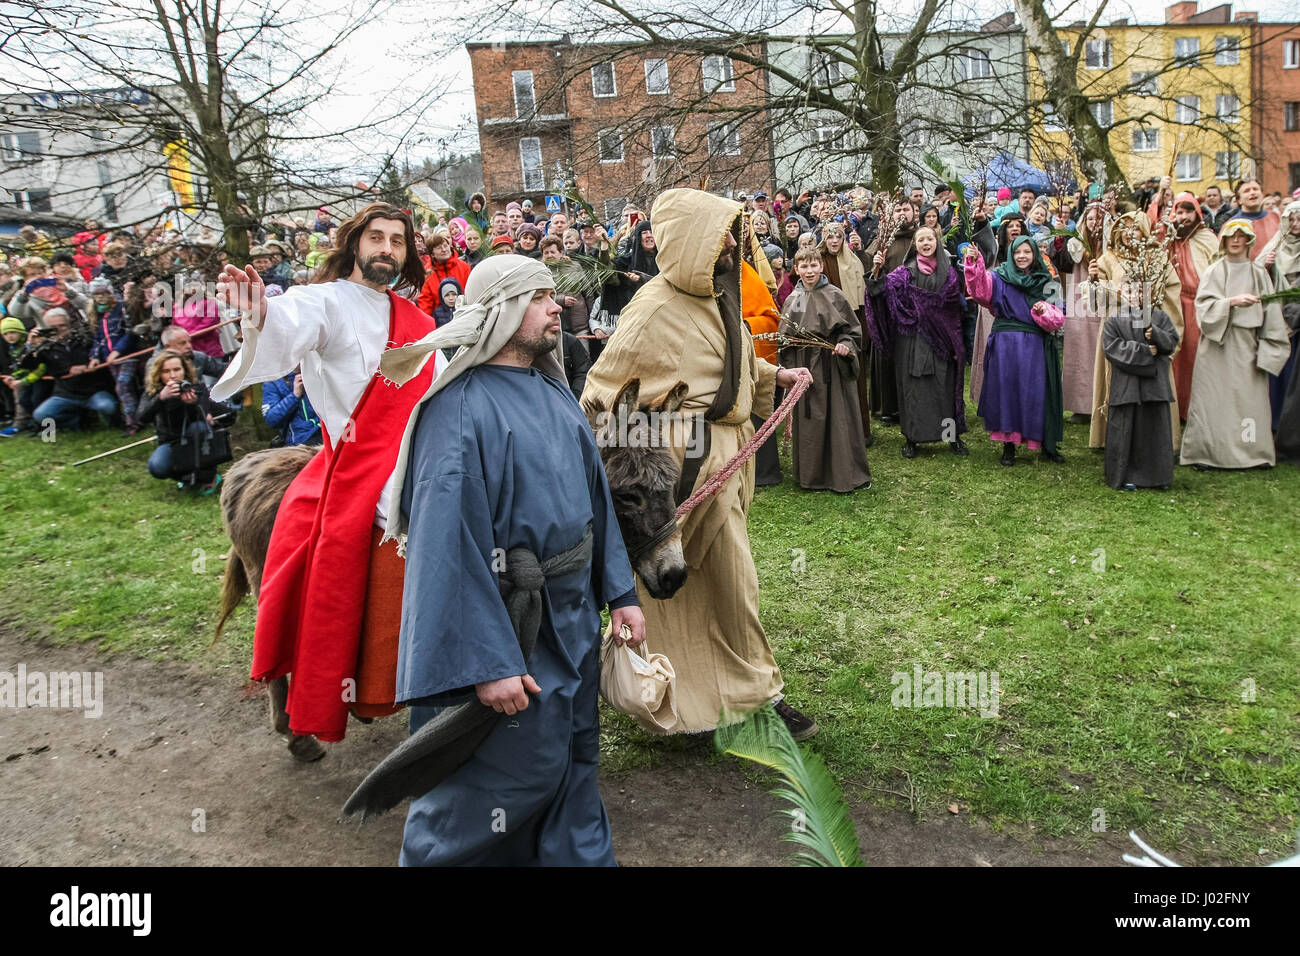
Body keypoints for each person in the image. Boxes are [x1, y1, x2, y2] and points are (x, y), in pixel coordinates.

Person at [366, 254, 642, 866]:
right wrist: (486, 661)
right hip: (508, 629)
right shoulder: (457, 410)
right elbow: (446, 549)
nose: (556, 306)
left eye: (554, 295)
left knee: (573, 764)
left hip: (569, 620)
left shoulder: (552, 390)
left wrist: (619, 593)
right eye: (539, 297)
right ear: (502, 311)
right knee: (500, 782)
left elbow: (594, 499)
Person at [581, 187, 819, 740]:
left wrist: (770, 379)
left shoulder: (719, 295)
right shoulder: (654, 310)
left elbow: (730, 367)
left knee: (717, 580)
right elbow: (600, 398)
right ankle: (754, 698)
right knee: (731, 580)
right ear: (692, 242)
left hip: (729, 461)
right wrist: (644, 462)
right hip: (686, 471)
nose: (733, 244)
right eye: (720, 234)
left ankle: (716, 700)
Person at [209, 202, 440, 749]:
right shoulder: (325, 302)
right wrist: (259, 313)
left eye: (398, 241)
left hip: (422, 454)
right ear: (354, 244)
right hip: (363, 467)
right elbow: (290, 320)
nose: (387, 248)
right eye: (376, 237)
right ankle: (369, 677)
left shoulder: (419, 322)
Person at [1180, 220, 1291, 470]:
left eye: (1242, 236)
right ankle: (1208, 453)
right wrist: (1230, 302)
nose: (1236, 240)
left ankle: (1251, 453)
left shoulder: (1258, 273)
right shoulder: (1214, 271)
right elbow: (1203, 309)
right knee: (1214, 400)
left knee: (1247, 401)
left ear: (1249, 241)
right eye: (1232, 236)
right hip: (1218, 346)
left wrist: (1270, 347)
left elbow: (1272, 312)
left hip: (1247, 346)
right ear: (1224, 239)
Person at [962, 237, 1067, 466]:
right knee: (1007, 393)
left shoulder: (1044, 279)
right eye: (1017, 251)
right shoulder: (999, 277)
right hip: (1005, 345)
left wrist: (1043, 310)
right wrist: (974, 263)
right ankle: (1008, 445)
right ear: (1011, 254)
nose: (1022, 256)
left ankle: (1042, 442)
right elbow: (980, 292)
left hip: (1034, 346)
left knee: (1034, 393)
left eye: (1027, 252)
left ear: (1035, 255)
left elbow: (1058, 317)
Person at [1085, 213, 1184, 452]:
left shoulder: (1158, 258)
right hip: (1118, 330)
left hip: (1149, 326)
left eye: (1135, 229)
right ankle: (1114, 437)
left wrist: (1153, 307)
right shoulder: (1107, 259)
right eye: (1125, 229)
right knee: (1119, 382)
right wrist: (1094, 281)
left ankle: (1157, 439)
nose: (1130, 234)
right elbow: (1098, 301)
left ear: (1145, 232)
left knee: (1152, 381)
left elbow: (1171, 290)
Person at [779, 247, 870, 491]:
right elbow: (785, 340)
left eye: (813, 265)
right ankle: (812, 476)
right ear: (796, 269)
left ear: (821, 266)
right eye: (804, 267)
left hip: (832, 367)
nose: (809, 271)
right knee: (811, 420)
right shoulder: (793, 300)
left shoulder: (835, 296)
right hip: (805, 366)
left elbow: (851, 331)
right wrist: (789, 368)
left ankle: (842, 473)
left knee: (838, 419)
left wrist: (844, 345)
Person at [877, 224, 968, 458]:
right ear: (914, 245)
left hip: (943, 340)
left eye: (930, 239)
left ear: (937, 242)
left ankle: (951, 436)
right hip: (913, 341)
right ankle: (912, 439)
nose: (926, 243)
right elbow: (882, 290)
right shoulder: (905, 272)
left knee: (944, 389)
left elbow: (954, 308)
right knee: (913, 391)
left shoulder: (949, 271)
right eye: (921, 240)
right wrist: (876, 272)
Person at [1165, 192, 1220, 422]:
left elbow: (1218, 269)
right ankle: (1175, 410)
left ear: (1197, 214)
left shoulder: (1208, 238)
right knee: (1175, 356)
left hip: (1199, 304)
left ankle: (1197, 410)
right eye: (1179, 212)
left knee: (1196, 356)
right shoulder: (1168, 239)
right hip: (1174, 304)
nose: (1183, 216)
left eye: (1188, 211)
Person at [138, 349, 224, 492]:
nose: (172, 375)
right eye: (166, 371)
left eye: (177, 369)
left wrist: (195, 404)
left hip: (198, 440)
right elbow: (141, 417)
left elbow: (214, 418)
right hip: (170, 441)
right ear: (159, 373)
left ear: (184, 370)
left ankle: (209, 476)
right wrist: (161, 398)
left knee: (199, 428)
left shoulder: (196, 388)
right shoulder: (153, 392)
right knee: (157, 467)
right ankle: (184, 477)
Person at [21, 308, 119, 432]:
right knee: (41, 414)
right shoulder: (44, 347)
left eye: (62, 325)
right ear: (46, 328)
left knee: (107, 407)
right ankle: (79, 422)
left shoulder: (84, 339)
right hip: (66, 393)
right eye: (53, 327)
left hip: (94, 390)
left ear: (69, 324)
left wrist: (86, 366)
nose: (59, 330)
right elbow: (27, 365)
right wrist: (30, 346)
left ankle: (114, 425)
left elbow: (100, 354)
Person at [866, 203, 918, 427]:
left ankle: (910, 405)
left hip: (913, 307)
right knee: (886, 358)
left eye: (906, 209)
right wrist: (875, 267)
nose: (902, 213)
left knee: (909, 357)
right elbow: (869, 273)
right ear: (890, 214)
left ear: (914, 212)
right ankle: (887, 408)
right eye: (898, 210)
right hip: (887, 306)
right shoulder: (882, 239)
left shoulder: (921, 237)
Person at [1262, 201, 1300, 435]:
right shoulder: (1277, 245)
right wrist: (1267, 267)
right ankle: (1277, 423)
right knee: (1280, 372)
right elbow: (1259, 276)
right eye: (1292, 220)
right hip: (1280, 318)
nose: (1296, 225)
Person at [415, 233, 472, 316]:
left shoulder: (464, 267)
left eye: (445, 246)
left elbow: (471, 293)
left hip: (464, 315)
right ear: (432, 254)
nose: (444, 250)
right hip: (440, 321)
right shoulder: (428, 273)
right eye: (439, 248)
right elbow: (425, 303)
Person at [261, 368, 323, 446]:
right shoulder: (273, 381)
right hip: (299, 444)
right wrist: (294, 395)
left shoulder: (320, 370)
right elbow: (271, 419)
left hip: (329, 435)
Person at [1231, 180, 1280, 259]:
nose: (1252, 192)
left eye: (1255, 189)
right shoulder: (1231, 225)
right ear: (1239, 200)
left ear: (1262, 195)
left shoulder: (1276, 218)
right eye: (1246, 191)